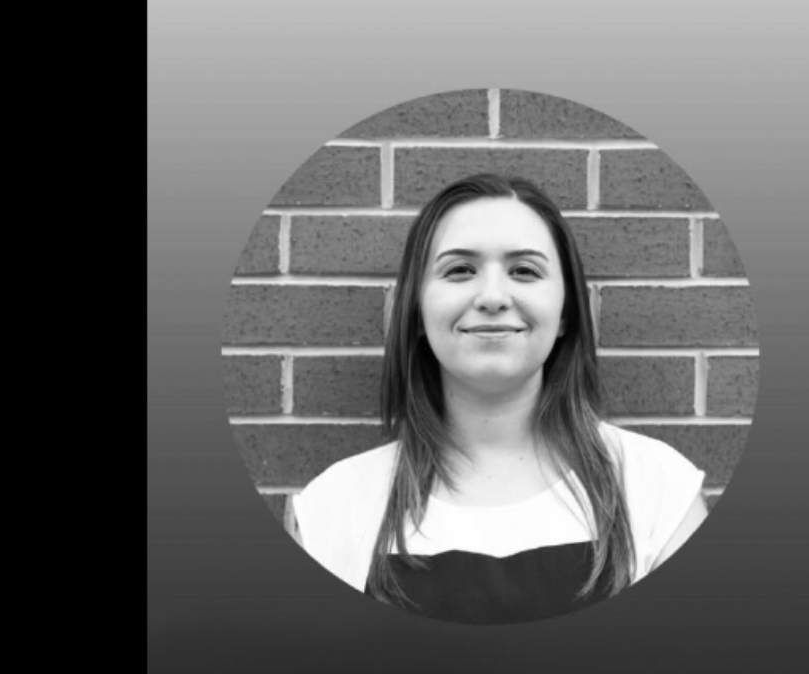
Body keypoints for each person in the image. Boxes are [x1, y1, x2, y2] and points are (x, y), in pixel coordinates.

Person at [289, 173, 708, 624]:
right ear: (417, 311)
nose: (492, 297)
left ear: (565, 313)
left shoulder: (656, 490)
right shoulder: (334, 508)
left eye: (525, 271)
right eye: (459, 270)